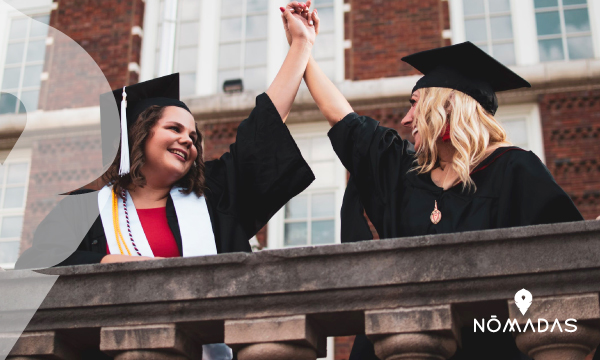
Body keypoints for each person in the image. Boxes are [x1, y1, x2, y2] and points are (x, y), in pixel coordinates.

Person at [282, 3, 584, 359]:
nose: (407, 119)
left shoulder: (515, 172)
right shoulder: (402, 172)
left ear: (448, 109)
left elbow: (570, 263)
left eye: (415, 104)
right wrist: (303, 48)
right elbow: (342, 118)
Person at [16, 6, 317, 269]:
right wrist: (120, 263)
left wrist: (301, 45)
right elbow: (36, 263)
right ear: (139, 135)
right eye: (175, 129)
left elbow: (262, 133)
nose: (188, 140)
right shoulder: (83, 210)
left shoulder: (214, 195)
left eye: (194, 136)